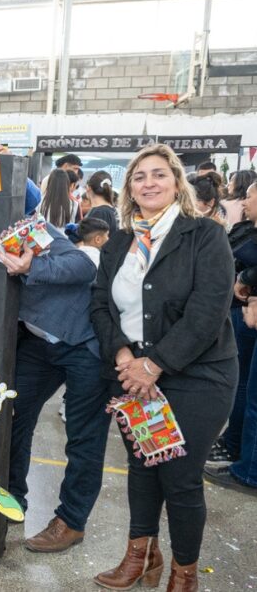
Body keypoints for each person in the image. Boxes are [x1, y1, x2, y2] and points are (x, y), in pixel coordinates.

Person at [90, 144, 236, 592]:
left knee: (180, 476)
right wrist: (124, 359)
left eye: (158, 174)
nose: (149, 183)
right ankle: (141, 555)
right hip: (133, 371)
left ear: (177, 183)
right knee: (141, 465)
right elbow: (100, 306)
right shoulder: (119, 241)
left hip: (197, 375)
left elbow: (207, 311)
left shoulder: (204, 235)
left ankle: (184, 574)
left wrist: (154, 365)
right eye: (139, 177)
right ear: (129, 189)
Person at [0, 195, 111, 553]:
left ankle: (71, 521)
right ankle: (11, 498)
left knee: (83, 437)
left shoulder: (26, 232)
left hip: (85, 339)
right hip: (39, 347)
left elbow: (83, 267)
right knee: (10, 416)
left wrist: (31, 268)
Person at [204, 181, 257, 488]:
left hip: (245, 315)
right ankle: (236, 447)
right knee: (246, 388)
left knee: (251, 395)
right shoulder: (243, 230)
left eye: (249, 195)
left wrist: (248, 283)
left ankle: (248, 471)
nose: (243, 201)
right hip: (242, 312)